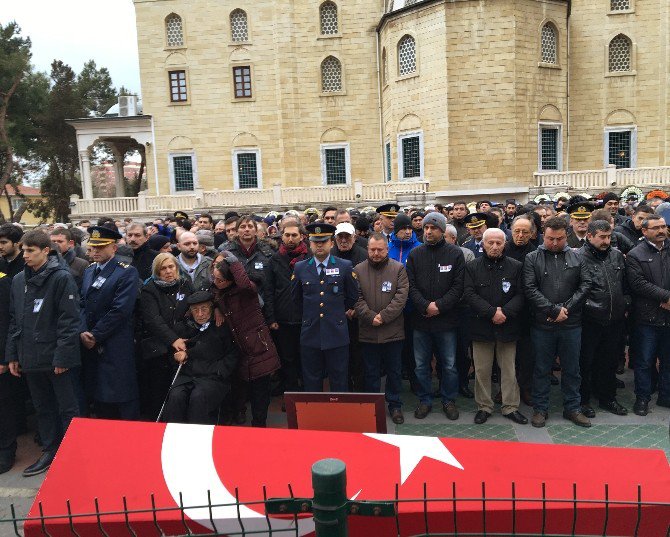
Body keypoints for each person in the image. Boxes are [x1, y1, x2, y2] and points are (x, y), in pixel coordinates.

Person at [5, 230, 80, 476]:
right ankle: (50, 450)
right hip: (30, 356)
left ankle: (74, 452)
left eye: (31, 251)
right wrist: (13, 355)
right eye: (24, 250)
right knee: (42, 407)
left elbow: (68, 321)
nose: (25, 255)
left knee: (67, 407)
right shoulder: (18, 281)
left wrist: (63, 357)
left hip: (55, 357)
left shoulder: (61, 278)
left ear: (46, 251)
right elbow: (15, 322)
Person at [523, 216, 591, 428]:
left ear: (566, 236)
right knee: (542, 369)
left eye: (559, 239)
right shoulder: (532, 257)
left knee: (572, 369)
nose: (554, 243)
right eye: (550, 238)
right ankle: (540, 409)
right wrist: (552, 309)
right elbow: (530, 288)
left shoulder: (578, 257)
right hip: (543, 324)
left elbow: (586, 284)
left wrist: (565, 309)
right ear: (544, 235)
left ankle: (573, 407)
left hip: (571, 324)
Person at [464, 228, 527, 424]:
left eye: (499, 243)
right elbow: (469, 294)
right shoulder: (472, 267)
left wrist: (504, 313)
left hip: (507, 326)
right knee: (482, 370)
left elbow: (521, 294)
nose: (494, 246)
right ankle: (484, 406)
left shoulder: (516, 266)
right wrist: (491, 312)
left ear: (504, 244)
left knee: (508, 369)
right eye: (490, 242)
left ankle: (510, 407)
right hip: (481, 326)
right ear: (483, 244)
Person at [406, 212, 465, 420]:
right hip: (421, 321)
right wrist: (425, 306)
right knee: (421, 365)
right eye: (425, 228)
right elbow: (410, 286)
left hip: (446, 320)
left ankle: (449, 400)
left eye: (433, 228)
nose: (428, 232)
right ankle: (425, 400)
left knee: (449, 364)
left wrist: (438, 306)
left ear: (442, 230)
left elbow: (458, 287)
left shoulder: (455, 254)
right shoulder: (415, 254)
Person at [80, 226, 141, 420]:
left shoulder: (126, 272)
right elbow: (82, 303)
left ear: (114, 248)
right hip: (90, 341)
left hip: (115, 342)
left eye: (101, 247)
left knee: (122, 395)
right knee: (99, 397)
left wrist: (96, 335)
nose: (95, 251)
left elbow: (120, 310)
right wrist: (83, 331)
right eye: (93, 247)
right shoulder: (89, 271)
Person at [212, 254, 280, 427]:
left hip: (259, 346)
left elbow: (243, 283)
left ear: (230, 279)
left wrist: (233, 262)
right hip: (240, 349)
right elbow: (209, 291)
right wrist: (216, 308)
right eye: (215, 278)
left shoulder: (247, 290)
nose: (216, 282)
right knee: (240, 388)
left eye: (220, 279)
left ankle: (259, 424)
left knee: (260, 392)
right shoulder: (220, 294)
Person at [291, 223, 358, 392]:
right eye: (315, 241)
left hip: (336, 333)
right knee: (311, 379)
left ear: (331, 243)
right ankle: (315, 416)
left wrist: (337, 314)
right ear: (309, 243)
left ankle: (339, 414)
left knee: (339, 378)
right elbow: (296, 299)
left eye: (324, 241)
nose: (319, 245)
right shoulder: (300, 268)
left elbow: (352, 296)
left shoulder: (344, 266)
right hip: (310, 333)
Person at [354, 233, 409, 424]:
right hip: (368, 331)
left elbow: (401, 296)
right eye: (372, 249)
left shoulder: (398, 269)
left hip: (393, 331)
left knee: (394, 371)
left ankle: (395, 405)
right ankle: (372, 407)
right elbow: (356, 297)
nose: (376, 253)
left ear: (387, 249)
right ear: (367, 249)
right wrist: (370, 317)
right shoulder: (358, 270)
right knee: (371, 372)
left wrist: (383, 316)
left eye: (380, 249)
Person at [160, 291, 238, 424]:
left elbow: (233, 353)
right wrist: (177, 357)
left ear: (211, 309)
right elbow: (171, 355)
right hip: (186, 376)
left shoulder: (221, 327)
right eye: (195, 310)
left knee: (198, 397)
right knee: (176, 396)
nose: (200, 314)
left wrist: (219, 371)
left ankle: (198, 437)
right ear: (190, 312)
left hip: (212, 377)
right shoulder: (182, 328)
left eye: (204, 309)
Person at [577, 220, 629, 417]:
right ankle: (583, 400)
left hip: (614, 319)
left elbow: (626, 285)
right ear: (590, 236)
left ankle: (608, 398)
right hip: (589, 320)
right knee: (585, 362)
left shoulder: (616, 256)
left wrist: (625, 304)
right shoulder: (577, 257)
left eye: (609, 237)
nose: (606, 241)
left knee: (608, 362)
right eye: (602, 237)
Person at [139, 253, 194, 419]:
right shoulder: (149, 289)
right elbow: (153, 320)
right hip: (159, 349)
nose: (168, 271)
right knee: (158, 391)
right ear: (157, 271)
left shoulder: (186, 284)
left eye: (171, 267)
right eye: (163, 268)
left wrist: (183, 337)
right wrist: (173, 339)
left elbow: (191, 312)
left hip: (184, 344)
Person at [625, 214, 670, 415]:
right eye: (656, 228)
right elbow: (638, 284)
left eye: (663, 227)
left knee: (668, 360)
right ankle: (642, 398)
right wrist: (666, 297)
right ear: (644, 231)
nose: (661, 231)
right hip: (647, 317)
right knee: (644, 361)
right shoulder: (636, 254)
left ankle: (665, 396)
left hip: (668, 317)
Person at [265, 220, 310, 396]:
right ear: (282, 236)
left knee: (305, 357)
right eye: (287, 235)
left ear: (302, 237)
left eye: (294, 235)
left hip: (306, 318)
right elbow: (268, 290)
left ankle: (308, 392)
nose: (290, 239)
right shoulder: (274, 260)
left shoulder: (309, 258)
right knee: (287, 358)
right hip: (283, 319)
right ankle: (291, 393)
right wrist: (271, 318)